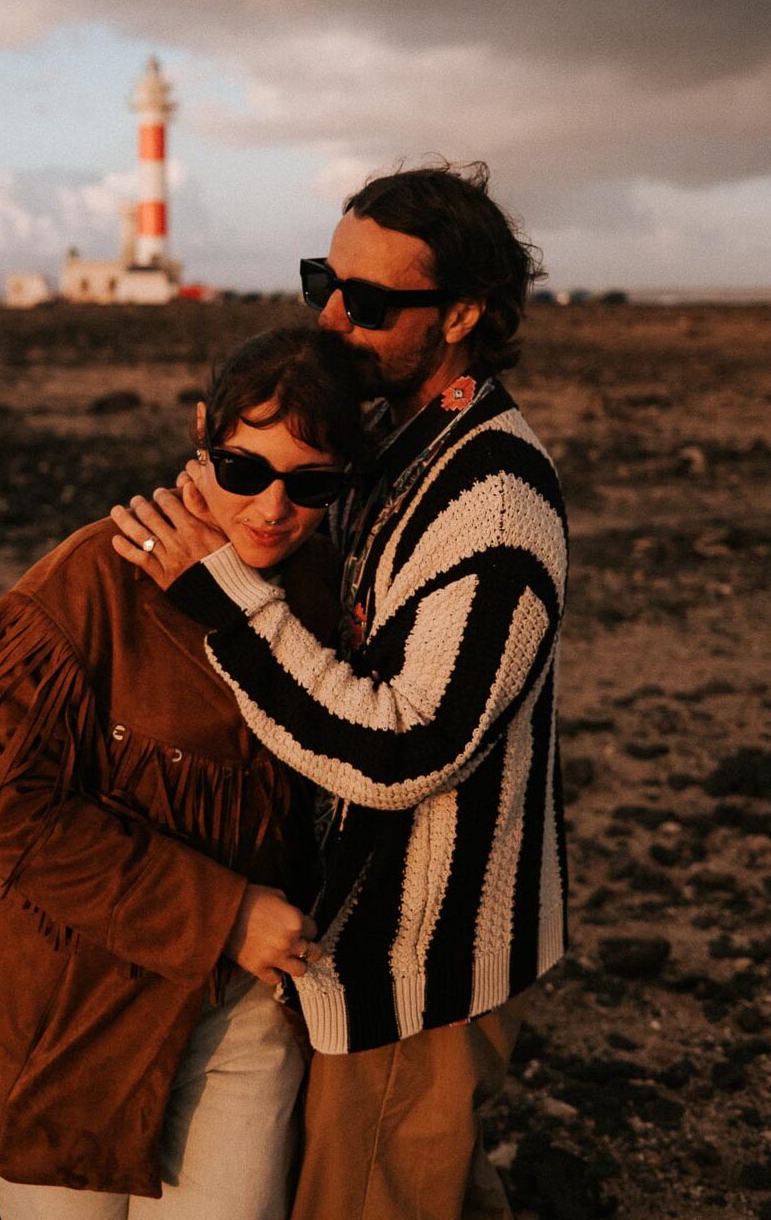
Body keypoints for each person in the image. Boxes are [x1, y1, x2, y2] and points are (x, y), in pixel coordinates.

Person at [112, 162, 569, 1220]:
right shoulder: (393, 450)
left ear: (461, 316)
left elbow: (406, 749)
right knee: (420, 1183)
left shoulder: (493, 500)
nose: (329, 315)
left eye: (367, 302)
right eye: (326, 279)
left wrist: (218, 599)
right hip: (364, 947)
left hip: (416, 966)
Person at [0, 326, 365, 1220]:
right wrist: (224, 913)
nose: (272, 509)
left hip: (237, 1019)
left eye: (311, 485)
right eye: (244, 471)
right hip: (64, 1024)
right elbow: (7, 811)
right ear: (202, 432)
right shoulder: (83, 591)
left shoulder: (325, 596)